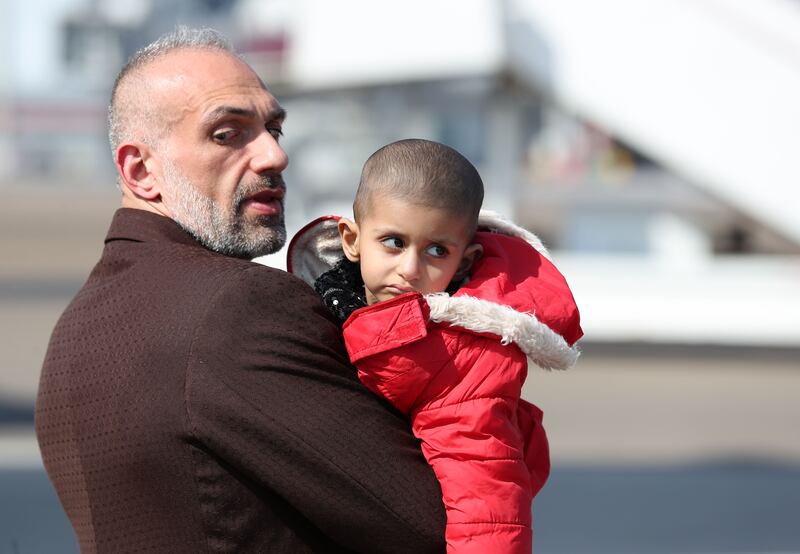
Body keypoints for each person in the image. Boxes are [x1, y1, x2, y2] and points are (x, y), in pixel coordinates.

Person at [34, 28, 446, 553]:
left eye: (273, 128)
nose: (274, 156)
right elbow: (437, 526)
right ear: (141, 170)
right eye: (227, 134)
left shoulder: (74, 329)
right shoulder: (241, 307)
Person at [287, 139, 584, 553]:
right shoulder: (323, 303)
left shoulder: (465, 357)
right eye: (393, 242)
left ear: (464, 262)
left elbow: (488, 503)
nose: (409, 269)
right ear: (351, 240)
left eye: (436, 251)